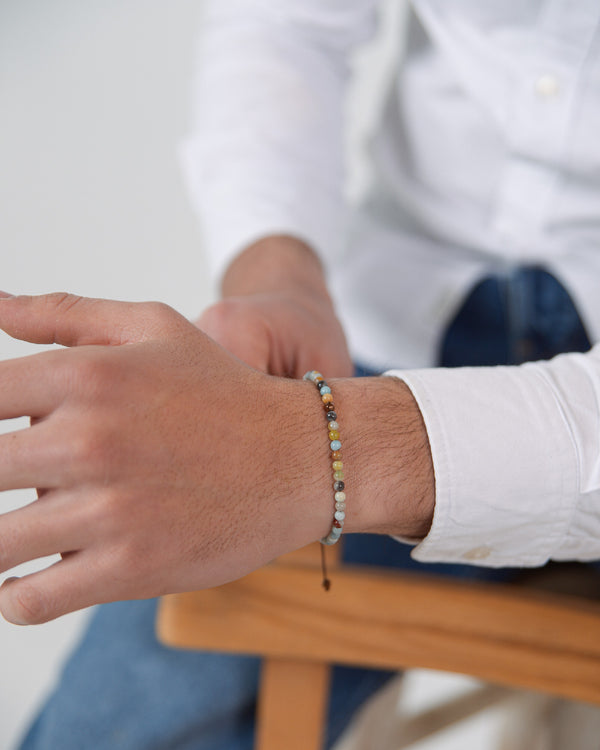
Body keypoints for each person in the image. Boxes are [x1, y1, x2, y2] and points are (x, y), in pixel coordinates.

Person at [5, 0, 600, 748]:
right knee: (114, 718)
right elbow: (284, 21)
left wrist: (313, 453)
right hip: (398, 316)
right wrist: (277, 272)